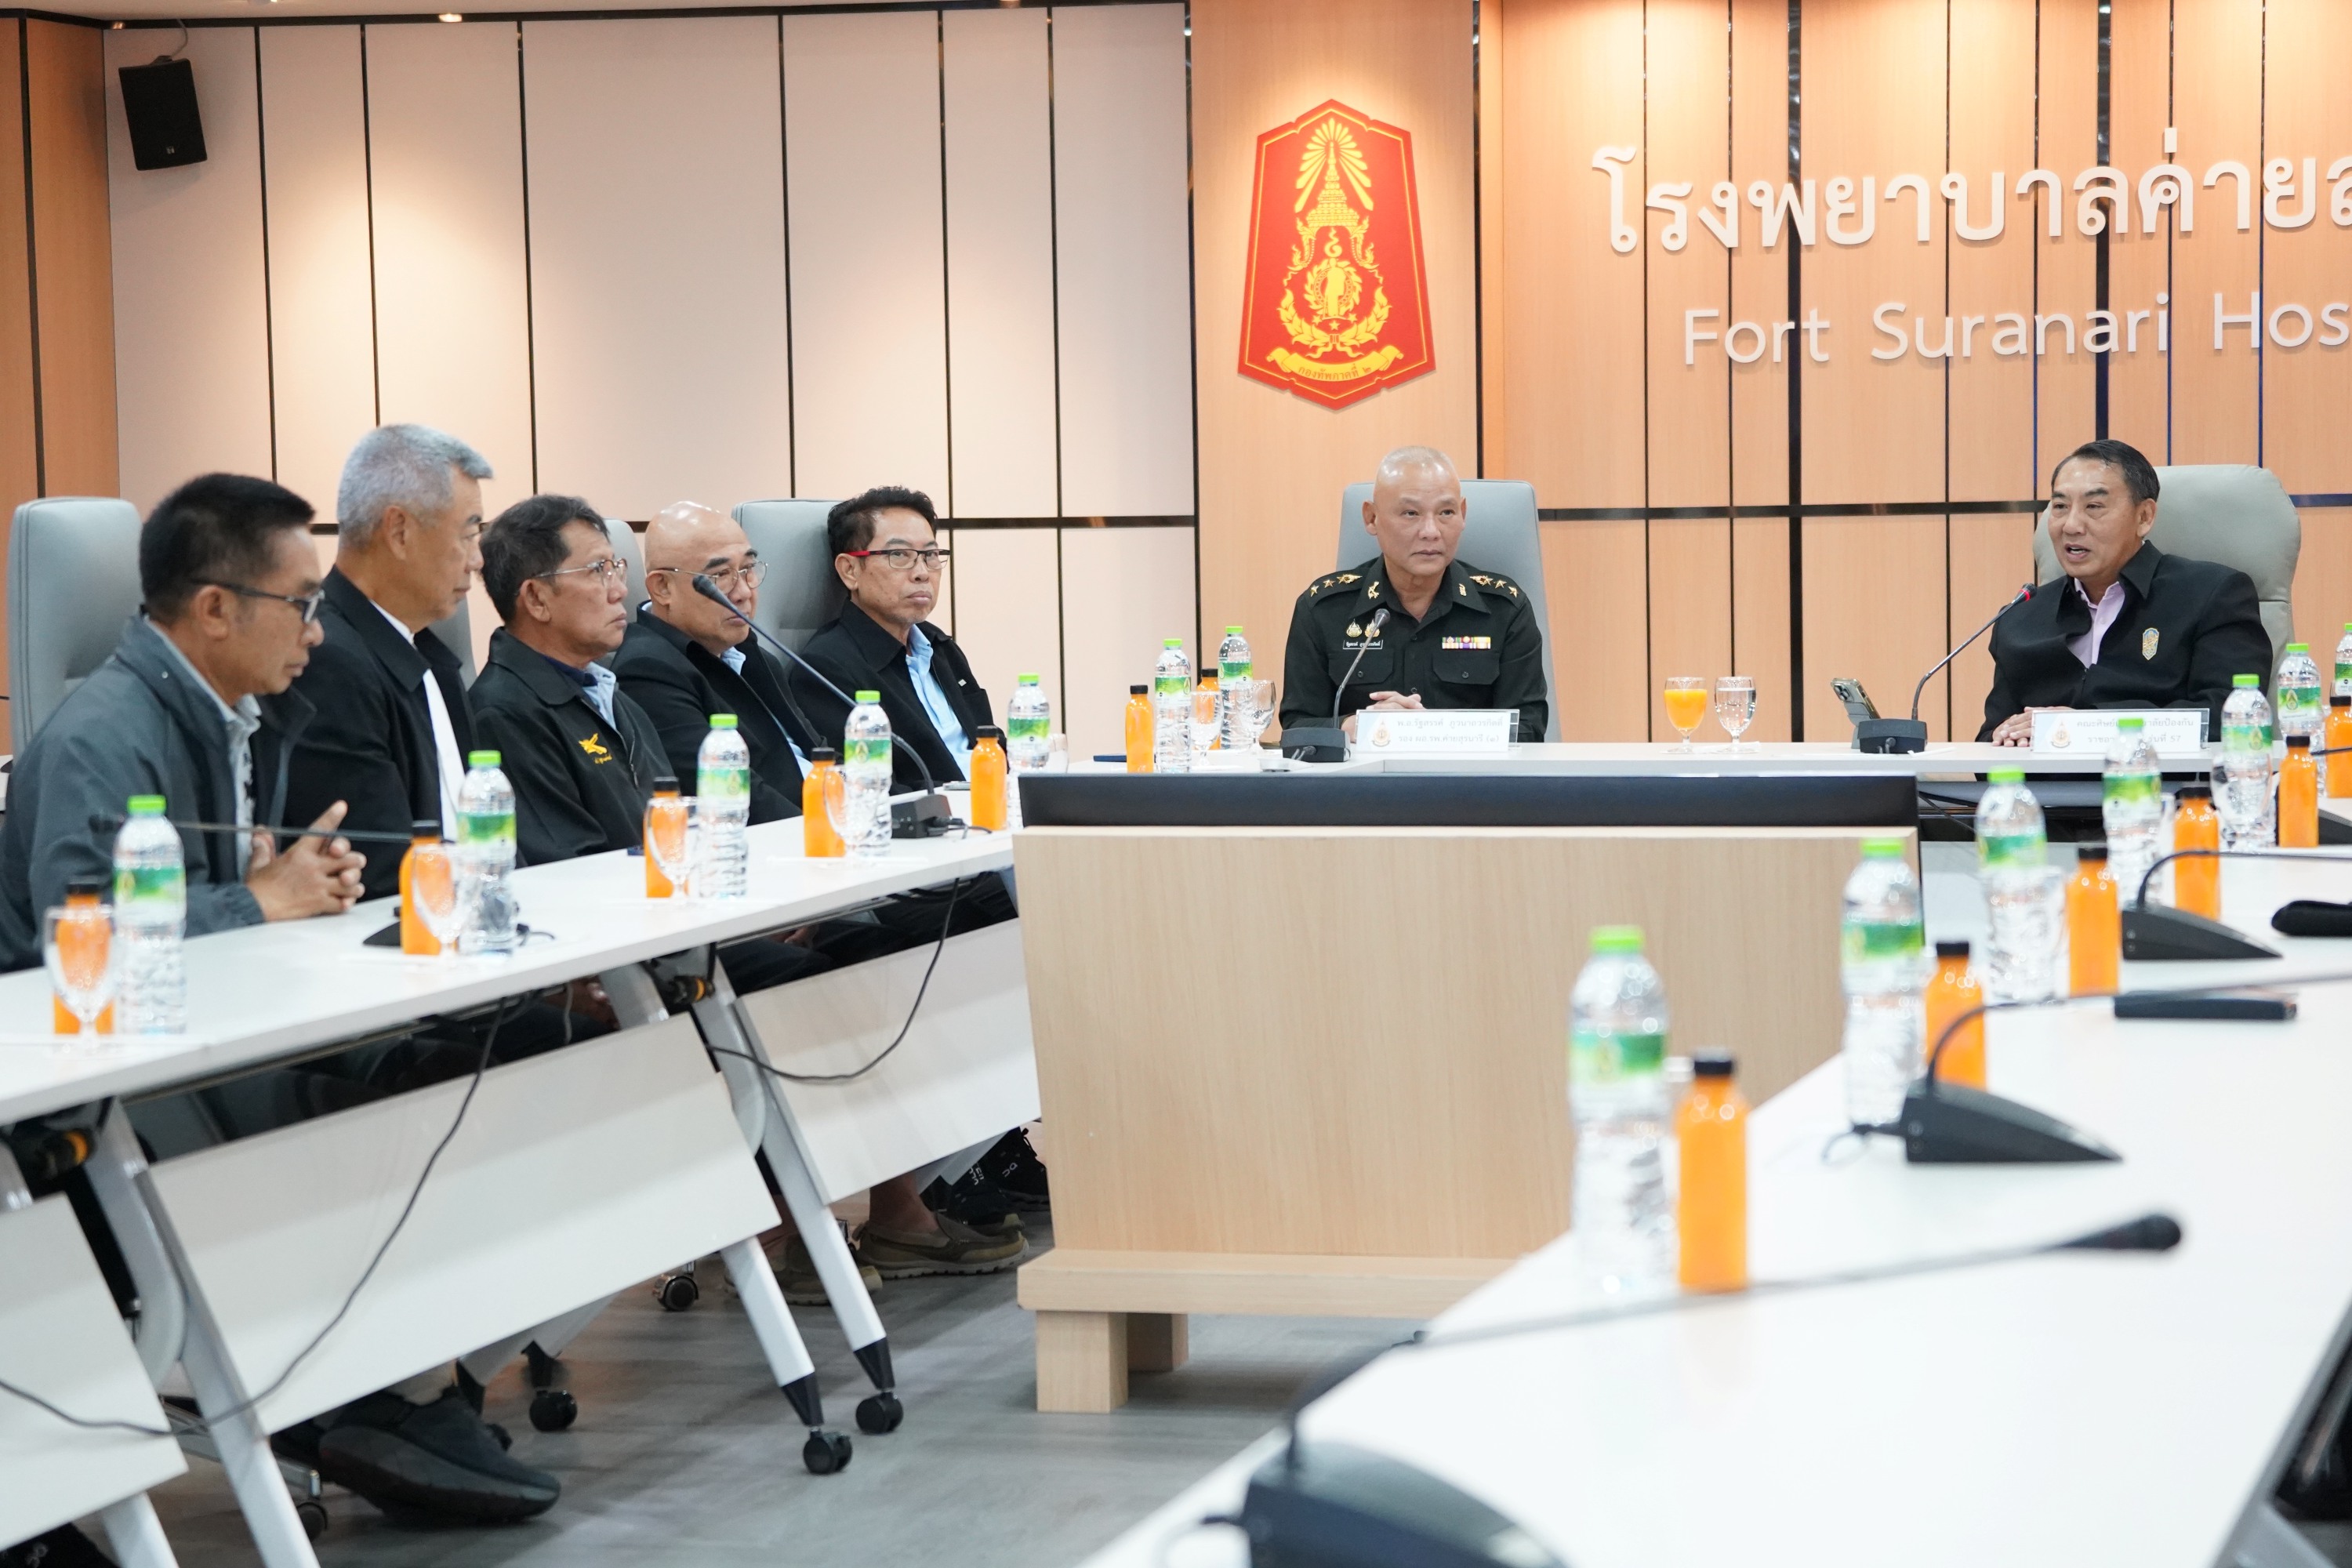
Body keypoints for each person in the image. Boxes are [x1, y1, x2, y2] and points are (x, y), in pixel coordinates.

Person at [474, 495, 1027, 1289]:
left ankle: (909, 1188)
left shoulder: (607, 686)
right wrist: (744, 909)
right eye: (599, 571)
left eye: (749, 567)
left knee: (907, 948)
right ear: (536, 596)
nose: (615, 588)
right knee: (829, 978)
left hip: (709, 912)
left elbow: (684, 818)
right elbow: (580, 869)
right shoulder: (520, 705)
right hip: (638, 953)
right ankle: (794, 1223)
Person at [0, 474, 365, 972]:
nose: (316, 633)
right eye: (302, 606)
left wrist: (283, 881)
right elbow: (86, 933)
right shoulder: (95, 742)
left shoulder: (247, 711)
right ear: (215, 609)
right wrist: (256, 900)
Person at [284, 423, 488, 901]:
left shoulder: (431, 655)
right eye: (467, 534)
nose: (476, 560)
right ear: (399, 532)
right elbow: (379, 873)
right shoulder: (326, 661)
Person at [1981, 439, 2270, 745]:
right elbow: (1990, 738)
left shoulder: (2212, 595)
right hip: (2040, 778)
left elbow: (2232, 717)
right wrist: (2005, 737)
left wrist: (2087, 728)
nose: (2071, 525)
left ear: (2144, 517)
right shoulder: (2020, 618)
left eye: (2094, 507)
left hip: (2163, 775)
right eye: (2060, 507)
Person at [1279, 445, 1548, 742]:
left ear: (1463, 514)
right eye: (1411, 513)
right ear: (1371, 518)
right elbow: (1297, 726)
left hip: (1466, 773)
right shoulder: (1323, 609)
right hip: (1364, 772)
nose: (1431, 531)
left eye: (1446, 512)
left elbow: (1529, 730)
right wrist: (1353, 726)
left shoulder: (1504, 609)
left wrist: (1423, 730)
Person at [614, 500, 819, 822]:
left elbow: (819, 754)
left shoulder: (752, 653)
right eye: (720, 575)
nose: (743, 592)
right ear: (663, 588)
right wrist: (830, 831)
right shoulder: (648, 671)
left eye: (748, 569)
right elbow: (736, 796)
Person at [791, 486, 990, 791]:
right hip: (937, 816)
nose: (922, 573)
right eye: (899, 555)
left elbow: (989, 743)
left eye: (930, 555)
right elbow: (869, 789)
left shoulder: (940, 647)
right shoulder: (825, 669)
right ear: (850, 571)